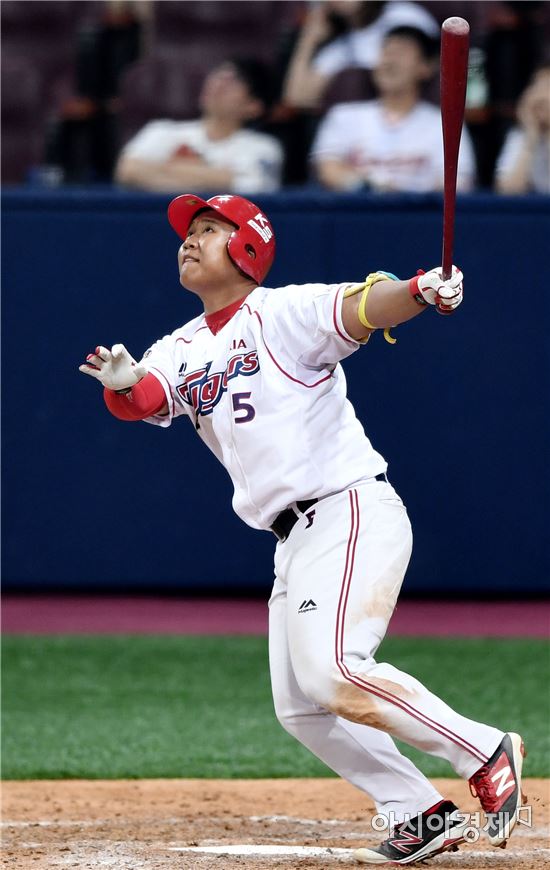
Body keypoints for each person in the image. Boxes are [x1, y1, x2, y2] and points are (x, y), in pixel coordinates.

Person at [79, 193, 525, 865]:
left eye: (209, 229)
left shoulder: (283, 313)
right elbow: (145, 398)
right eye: (188, 232)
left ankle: (484, 750)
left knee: (334, 671)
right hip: (295, 540)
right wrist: (122, 383)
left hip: (347, 509)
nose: (190, 240)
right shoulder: (180, 346)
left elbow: (364, 307)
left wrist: (419, 289)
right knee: (301, 708)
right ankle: (418, 811)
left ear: (247, 247)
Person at [310, 26, 476, 192]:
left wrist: (408, 198)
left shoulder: (444, 124)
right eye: (386, 51)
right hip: (357, 206)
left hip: (421, 208)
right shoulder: (343, 116)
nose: (389, 61)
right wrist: (371, 188)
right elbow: (327, 169)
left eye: (401, 53)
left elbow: (459, 182)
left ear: (425, 66)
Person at [115, 58, 283, 193]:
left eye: (233, 81)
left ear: (253, 106)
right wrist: (217, 178)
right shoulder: (162, 130)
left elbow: (254, 186)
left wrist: (167, 168)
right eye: (217, 75)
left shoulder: (263, 147)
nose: (218, 84)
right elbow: (128, 170)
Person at [283, 0, 438, 111]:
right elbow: (298, 96)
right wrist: (308, 38)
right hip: (367, 126)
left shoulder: (403, 16)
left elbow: (432, 66)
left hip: (419, 116)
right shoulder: (342, 46)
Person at [495, 62, 550, 194]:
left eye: (547, 87)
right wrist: (531, 138)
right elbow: (508, 189)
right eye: (535, 86)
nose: (538, 95)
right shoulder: (520, 136)